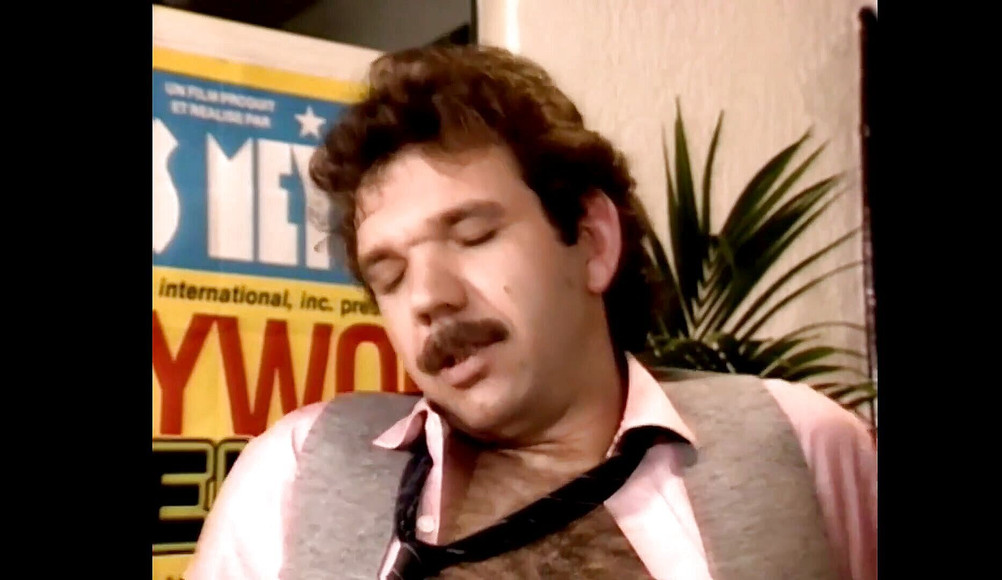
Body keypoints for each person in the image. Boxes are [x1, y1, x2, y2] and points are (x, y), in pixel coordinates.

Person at [185, 44, 877, 580]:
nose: (428, 297)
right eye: (389, 275)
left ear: (592, 241)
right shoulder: (293, 477)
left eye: (473, 236)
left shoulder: (799, 446)